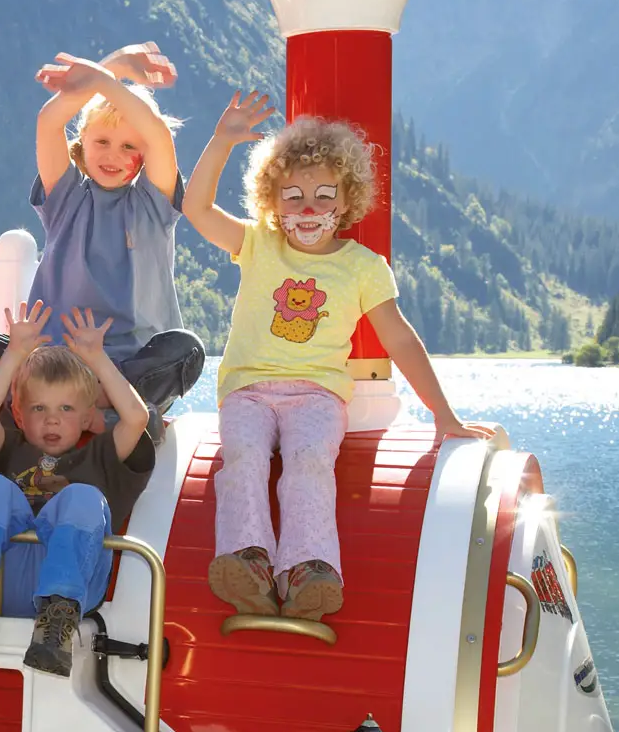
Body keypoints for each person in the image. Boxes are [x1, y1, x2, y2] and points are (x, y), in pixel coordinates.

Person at [183, 93, 492, 620]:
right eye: (293, 195)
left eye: (323, 196)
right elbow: (195, 209)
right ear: (270, 200)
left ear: (346, 202)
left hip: (318, 396)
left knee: (309, 464)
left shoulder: (363, 267)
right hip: (246, 392)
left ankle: (310, 570)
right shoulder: (257, 244)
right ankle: (247, 562)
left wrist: (444, 415)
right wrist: (222, 141)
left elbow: (399, 339)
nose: (307, 209)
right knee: (244, 460)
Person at [0, 303, 155, 675]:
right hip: (3, 576)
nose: (53, 419)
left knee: (82, 497)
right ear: (18, 414)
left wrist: (96, 358)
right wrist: (15, 353)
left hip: (72, 582)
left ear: (89, 415)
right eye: (39, 408)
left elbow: (137, 418)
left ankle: (56, 623)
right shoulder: (13, 449)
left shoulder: (102, 457)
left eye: (66, 408)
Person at [26, 45, 204, 428]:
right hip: (60, 362)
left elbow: (157, 136)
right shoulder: (65, 197)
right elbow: (48, 122)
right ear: (83, 141)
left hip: (133, 367)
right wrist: (114, 68)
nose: (113, 155)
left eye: (129, 147)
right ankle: (105, 412)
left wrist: (106, 77)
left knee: (187, 348)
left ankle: (102, 405)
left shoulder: (153, 205)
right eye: (102, 142)